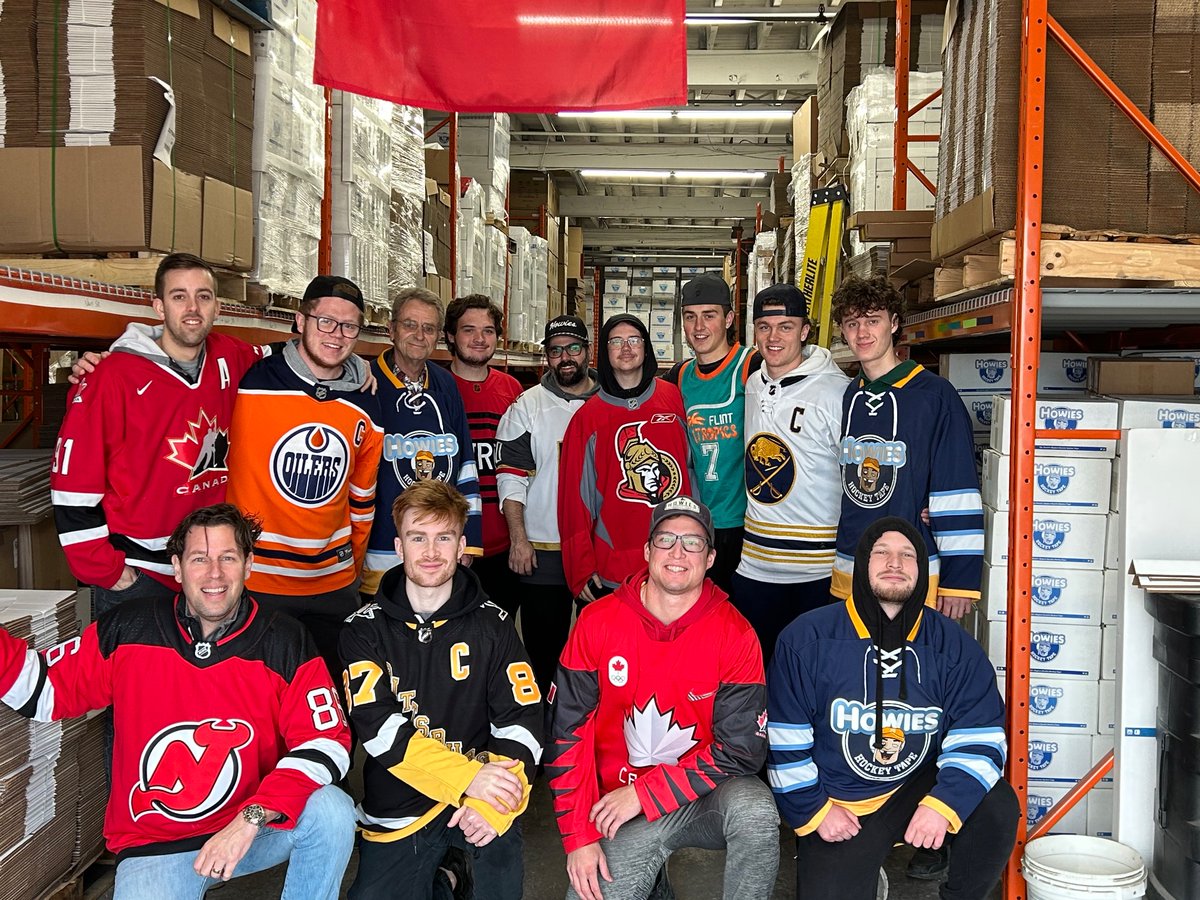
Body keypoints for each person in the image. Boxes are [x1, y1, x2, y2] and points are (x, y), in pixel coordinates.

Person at [0, 504, 355, 898]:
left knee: (331, 811)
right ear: (177, 567)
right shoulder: (128, 629)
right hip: (154, 847)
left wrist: (249, 820)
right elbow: (43, 689)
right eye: (199, 559)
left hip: (249, 831)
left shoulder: (284, 640)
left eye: (228, 558)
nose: (214, 574)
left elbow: (326, 743)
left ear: (249, 565)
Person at [766, 517, 1018, 900]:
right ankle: (865, 870)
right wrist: (815, 810)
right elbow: (784, 739)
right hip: (840, 802)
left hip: (917, 788)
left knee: (996, 805)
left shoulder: (954, 645)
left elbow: (981, 735)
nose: (894, 563)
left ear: (923, 571)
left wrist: (943, 804)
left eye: (907, 556)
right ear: (861, 564)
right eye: (881, 553)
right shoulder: (807, 638)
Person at [546, 495, 780, 900]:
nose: (678, 552)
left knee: (755, 811)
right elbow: (566, 736)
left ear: (709, 558)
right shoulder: (597, 621)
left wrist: (645, 793)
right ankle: (653, 883)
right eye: (666, 539)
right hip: (616, 808)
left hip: (701, 800)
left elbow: (742, 750)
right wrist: (578, 838)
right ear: (647, 551)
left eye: (692, 543)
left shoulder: (736, 634)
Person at [340, 480, 542, 900]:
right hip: (400, 803)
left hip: (483, 800)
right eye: (418, 538)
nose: (430, 552)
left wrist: (488, 802)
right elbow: (379, 731)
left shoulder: (495, 624)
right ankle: (447, 879)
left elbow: (522, 723)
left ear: (461, 546)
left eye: (443, 538)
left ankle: (454, 870)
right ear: (399, 547)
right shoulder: (362, 630)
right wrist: (470, 778)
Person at [51, 252, 266, 615]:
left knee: (208, 672)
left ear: (217, 307)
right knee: (135, 673)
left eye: (204, 296)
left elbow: (293, 356)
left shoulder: (231, 356)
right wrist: (109, 571)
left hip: (210, 573)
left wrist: (357, 366)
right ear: (159, 307)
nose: (192, 307)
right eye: (179, 296)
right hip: (141, 573)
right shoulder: (111, 376)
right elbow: (71, 483)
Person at [225, 275, 384, 680]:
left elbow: (362, 498)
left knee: (331, 706)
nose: (337, 335)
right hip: (258, 581)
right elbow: (186, 354)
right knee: (257, 708)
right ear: (299, 321)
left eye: (349, 326)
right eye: (325, 322)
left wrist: (352, 572)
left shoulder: (366, 399)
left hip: (333, 586)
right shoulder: (253, 379)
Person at [831, 275, 984, 619]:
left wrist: (959, 580)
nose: (862, 333)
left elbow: (956, 489)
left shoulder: (935, 395)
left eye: (873, 321)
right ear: (842, 330)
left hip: (913, 569)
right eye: (852, 323)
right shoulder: (847, 395)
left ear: (894, 324)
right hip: (850, 566)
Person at [732, 284, 849, 662]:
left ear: (804, 331)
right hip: (756, 562)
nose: (773, 337)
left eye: (785, 326)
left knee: (811, 674)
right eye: (764, 327)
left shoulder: (838, 392)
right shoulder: (752, 383)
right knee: (754, 672)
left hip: (816, 569)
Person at [558, 314, 694, 606]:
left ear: (646, 347)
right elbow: (574, 501)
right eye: (616, 341)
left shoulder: (674, 399)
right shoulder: (587, 419)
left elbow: (693, 477)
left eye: (634, 340)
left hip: (677, 557)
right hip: (614, 566)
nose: (626, 348)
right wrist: (579, 566)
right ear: (605, 353)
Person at [495, 315, 599, 691]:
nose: (565, 358)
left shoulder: (611, 402)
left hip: (597, 552)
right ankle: (543, 734)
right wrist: (518, 539)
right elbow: (510, 476)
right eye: (556, 351)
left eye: (573, 348)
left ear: (588, 351)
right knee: (543, 654)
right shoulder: (528, 405)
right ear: (547, 358)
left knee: (597, 654)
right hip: (544, 551)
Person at [364, 287, 482, 596]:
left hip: (438, 546)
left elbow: (466, 462)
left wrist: (467, 536)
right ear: (391, 330)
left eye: (428, 328)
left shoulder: (445, 384)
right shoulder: (367, 383)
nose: (419, 335)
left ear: (438, 337)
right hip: (380, 547)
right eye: (409, 325)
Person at [663, 273, 759, 594]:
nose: (699, 326)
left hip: (745, 525)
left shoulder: (751, 365)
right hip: (698, 522)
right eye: (690, 317)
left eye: (710, 315)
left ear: (729, 318)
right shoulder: (678, 376)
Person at [444, 295, 524, 615]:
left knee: (499, 640)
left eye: (488, 331)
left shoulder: (513, 389)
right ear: (450, 335)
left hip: (505, 545)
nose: (480, 339)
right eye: (469, 330)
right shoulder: (435, 386)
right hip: (452, 546)